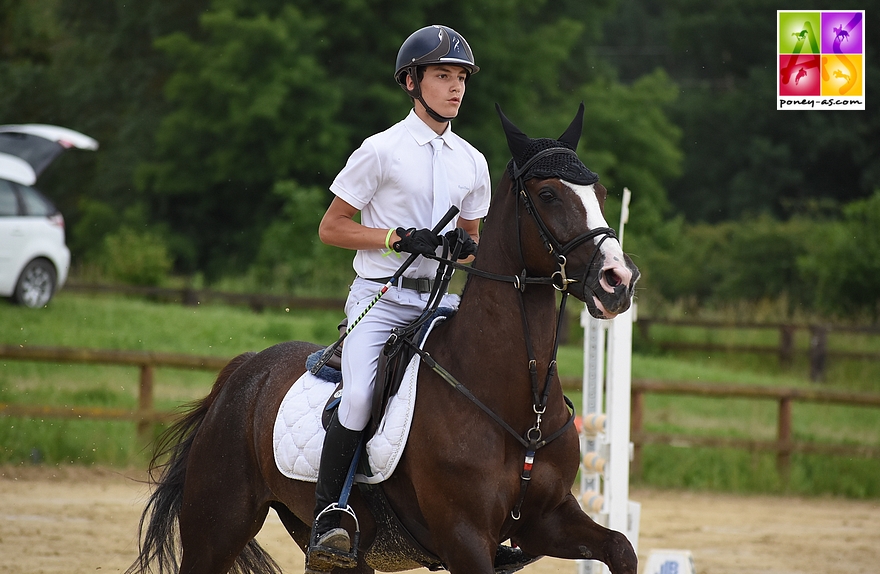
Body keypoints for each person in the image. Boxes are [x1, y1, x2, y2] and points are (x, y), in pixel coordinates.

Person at [307, 25, 490, 572]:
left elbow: (473, 248)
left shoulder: (472, 162)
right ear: (412, 83)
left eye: (460, 78)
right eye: (442, 76)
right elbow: (331, 228)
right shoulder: (379, 151)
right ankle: (329, 517)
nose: (455, 88)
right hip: (381, 298)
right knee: (361, 397)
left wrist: (464, 248)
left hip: (439, 302)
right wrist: (393, 237)